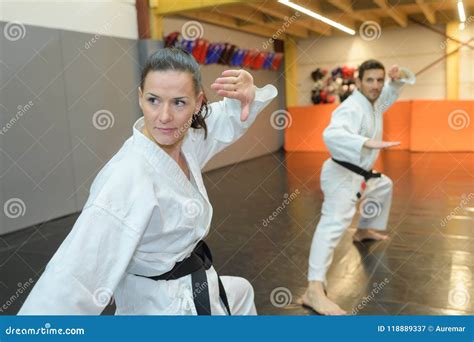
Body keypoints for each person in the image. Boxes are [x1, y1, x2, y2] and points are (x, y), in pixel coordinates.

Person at [18, 47, 277, 315]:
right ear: (141, 98)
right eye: (154, 100)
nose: (164, 117)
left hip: (190, 285)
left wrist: (247, 96)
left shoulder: (185, 142)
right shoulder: (126, 179)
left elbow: (225, 119)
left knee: (241, 291)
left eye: (179, 102)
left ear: (198, 103)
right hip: (160, 307)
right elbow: (73, 278)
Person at [300, 60, 415, 315]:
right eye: (370, 80)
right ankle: (313, 290)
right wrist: (365, 142)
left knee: (383, 184)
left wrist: (398, 77)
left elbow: (392, 91)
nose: (375, 86)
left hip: (360, 174)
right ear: (359, 81)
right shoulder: (352, 107)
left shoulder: (374, 102)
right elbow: (332, 135)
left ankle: (362, 231)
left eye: (379, 80)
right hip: (341, 175)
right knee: (332, 226)